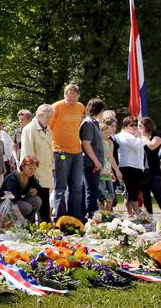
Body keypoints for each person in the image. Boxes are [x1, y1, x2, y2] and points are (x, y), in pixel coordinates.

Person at [50, 84, 85, 219]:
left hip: (77, 151)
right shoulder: (56, 107)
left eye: (74, 99)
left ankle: (75, 217)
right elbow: (48, 128)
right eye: (68, 99)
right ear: (64, 95)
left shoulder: (80, 107)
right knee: (61, 186)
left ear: (78, 96)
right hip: (60, 151)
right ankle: (60, 217)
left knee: (76, 186)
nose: (71, 102)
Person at [20, 104, 55, 223]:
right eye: (48, 117)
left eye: (51, 117)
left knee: (44, 204)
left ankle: (44, 228)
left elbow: (50, 150)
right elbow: (27, 154)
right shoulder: (29, 129)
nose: (50, 119)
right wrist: (29, 174)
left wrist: (53, 168)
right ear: (39, 115)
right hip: (35, 174)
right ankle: (32, 229)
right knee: (34, 204)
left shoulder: (48, 129)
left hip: (46, 172)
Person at [139, 117, 161, 221]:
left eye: (140, 126)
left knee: (158, 194)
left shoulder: (157, 135)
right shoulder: (138, 136)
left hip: (153, 170)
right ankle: (150, 218)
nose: (138, 128)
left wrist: (143, 137)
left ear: (147, 126)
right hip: (142, 171)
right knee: (145, 195)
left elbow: (152, 146)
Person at [0, 156, 44, 224]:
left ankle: (28, 224)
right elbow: (12, 200)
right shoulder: (12, 179)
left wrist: (34, 192)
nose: (32, 171)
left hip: (17, 202)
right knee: (27, 207)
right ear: (23, 167)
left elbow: (39, 189)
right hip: (3, 206)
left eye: (34, 169)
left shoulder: (30, 177)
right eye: (30, 168)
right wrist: (21, 218)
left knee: (37, 200)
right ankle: (18, 224)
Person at [80, 98, 105, 220]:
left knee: (90, 190)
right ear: (99, 110)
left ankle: (87, 216)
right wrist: (95, 160)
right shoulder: (88, 123)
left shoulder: (94, 123)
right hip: (90, 163)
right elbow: (86, 143)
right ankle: (91, 217)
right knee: (91, 191)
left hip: (95, 163)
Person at [117, 116, 146, 219]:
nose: (135, 127)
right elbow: (138, 145)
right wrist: (140, 135)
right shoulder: (124, 135)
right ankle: (138, 213)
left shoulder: (131, 136)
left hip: (135, 166)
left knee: (132, 191)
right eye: (132, 125)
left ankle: (135, 213)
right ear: (125, 126)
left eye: (136, 125)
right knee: (133, 191)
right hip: (129, 166)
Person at [98, 122, 123, 212]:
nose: (107, 135)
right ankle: (101, 214)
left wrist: (116, 171)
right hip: (100, 172)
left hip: (107, 172)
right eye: (105, 133)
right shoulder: (97, 143)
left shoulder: (110, 142)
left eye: (109, 133)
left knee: (111, 196)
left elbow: (111, 158)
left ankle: (107, 215)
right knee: (103, 196)